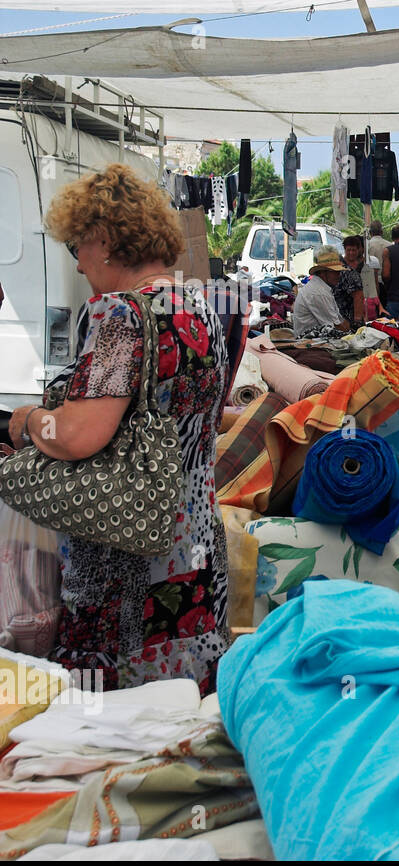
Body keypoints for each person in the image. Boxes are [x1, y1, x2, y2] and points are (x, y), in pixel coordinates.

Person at [7, 163, 229, 692]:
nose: (79, 264)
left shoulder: (123, 317)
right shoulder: (197, 306)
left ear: (104, 240)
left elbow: (78, 436)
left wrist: (29, 422)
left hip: (127, 549)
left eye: (76, 247)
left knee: (114, 717)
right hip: (193, 540)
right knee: (178, 706)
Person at [293, 246, 351, 337]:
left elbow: (340, 321)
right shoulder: (318, 292)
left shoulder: (321, 288)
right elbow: (337, 326)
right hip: (310, 343)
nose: (339, 275)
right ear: (323, 272)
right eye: (335, 272)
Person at [336, 235, 367, 327]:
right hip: (341, 307)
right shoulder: (339, 264)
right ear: (344, 249)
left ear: (358, 250)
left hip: (357, 306)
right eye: (348, 250)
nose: (351, 253)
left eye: (354, 250)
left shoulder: (362, 265)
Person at [367, 221, 391, 307]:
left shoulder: (368, 245)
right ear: (382, 232)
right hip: (387, 283)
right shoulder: (389, 245)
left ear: (370, 233)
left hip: (372, 284)